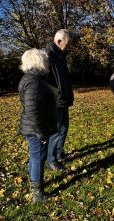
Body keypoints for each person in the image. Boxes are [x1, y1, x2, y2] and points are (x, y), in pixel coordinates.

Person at [18, 48, 57, 203]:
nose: (47, 63)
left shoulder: (34, 79)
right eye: (45, 60)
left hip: (35, 126)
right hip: (36, 128)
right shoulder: (33, 81)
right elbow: (32, 109)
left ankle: (35, 185)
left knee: (35, 157)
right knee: (38, 157)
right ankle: (38, 194)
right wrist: (41, 133)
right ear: (38, 61)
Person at [45, 29, 74, 170]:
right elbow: (46, 80)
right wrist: (56, 96)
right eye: (67, 44)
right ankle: (51, 160)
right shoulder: (48, 55)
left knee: (64, 128)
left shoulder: (60, 56)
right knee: (56, 131)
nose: (68, 47)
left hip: (63, 100)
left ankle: (59, 152)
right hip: (56, 101)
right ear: (59, 41)